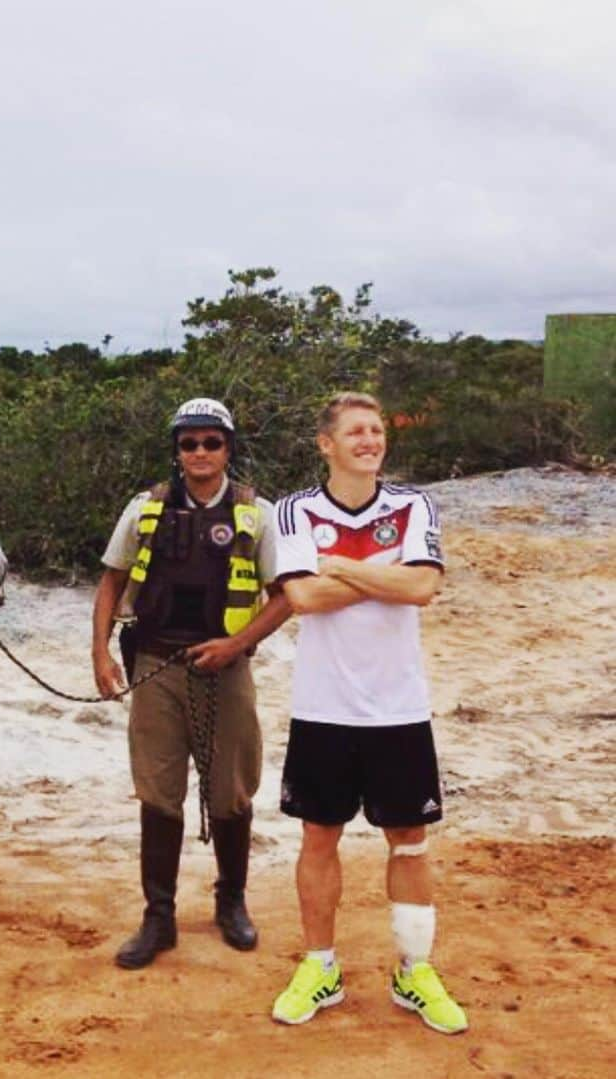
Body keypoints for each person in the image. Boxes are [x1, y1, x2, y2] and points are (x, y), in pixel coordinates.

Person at [269, 391, 467, 1034]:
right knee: (318, 837)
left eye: (376, 430)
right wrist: (381, 573)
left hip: (399, 709)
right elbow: (300, 598)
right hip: (323, 709)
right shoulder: (293, 510)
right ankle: (321, 966)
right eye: (354, 431)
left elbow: (422, 587)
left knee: (409, 844)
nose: (369, 440)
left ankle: (414, 972)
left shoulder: (412, 505)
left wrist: (341, 566)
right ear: (326, 444)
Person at [91, 397, 291, 970]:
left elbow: (285, 597)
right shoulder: (144, 508)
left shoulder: (259, 513)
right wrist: (100, 653)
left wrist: (234, 644)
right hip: (156, 666)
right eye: (189, 443)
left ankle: (232, 902)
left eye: (212, 442)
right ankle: (159, 917)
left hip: (226, 672)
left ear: (228, 447)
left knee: (231, 789)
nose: (200, 453)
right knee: (158, 793)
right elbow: (111, 581)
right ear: (177, 450)